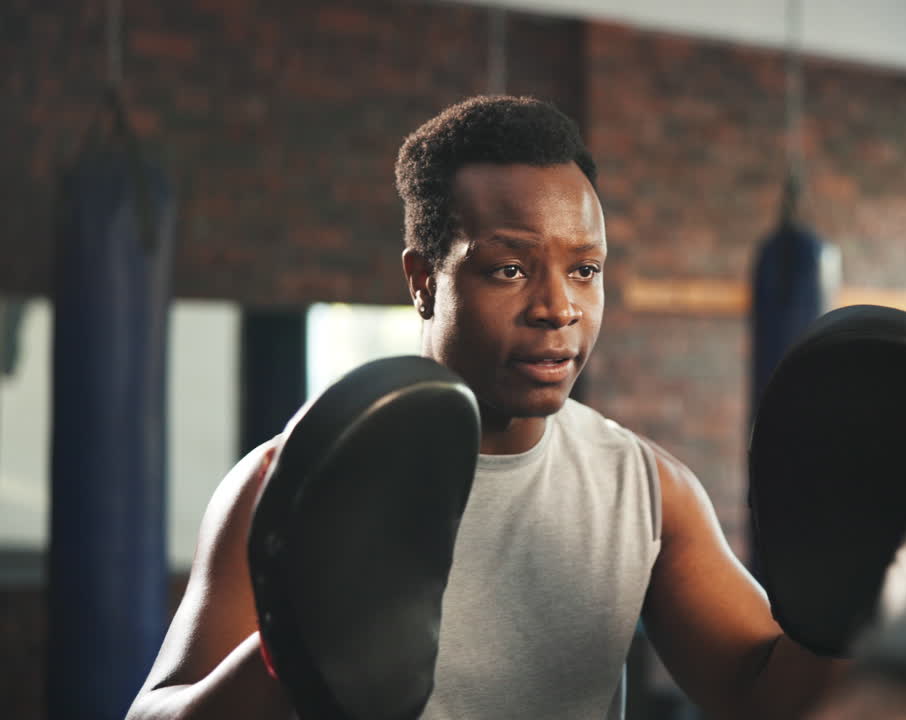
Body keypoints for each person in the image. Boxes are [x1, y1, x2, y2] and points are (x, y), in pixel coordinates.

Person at [127, 95, 846, 720]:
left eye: (585, 271)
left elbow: (764, 694)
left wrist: (858, 587)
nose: (558, 308)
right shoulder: (286, 483)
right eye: (509, 269)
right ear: (422, 282)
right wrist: (295, 645)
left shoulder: (646, 492)